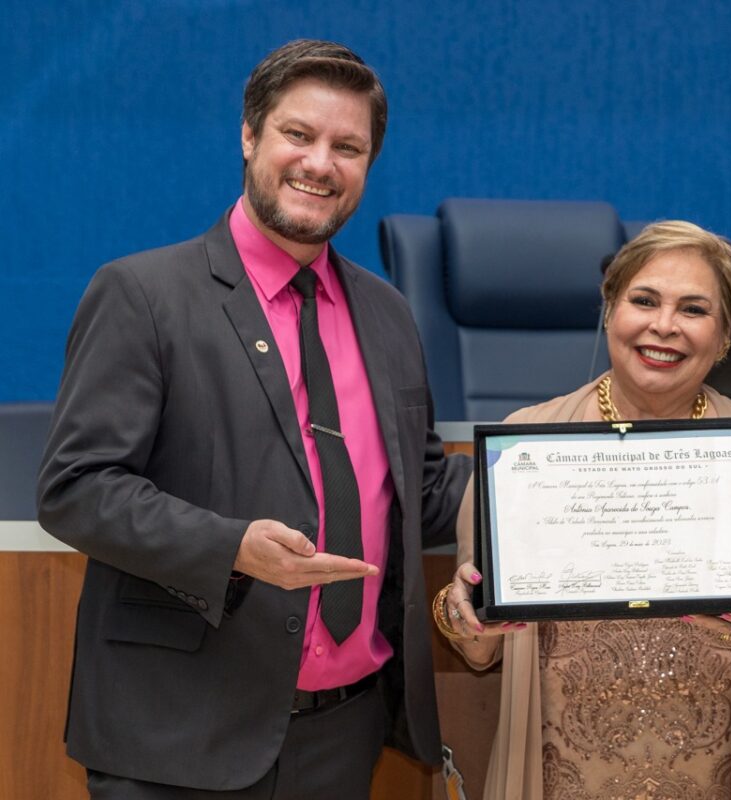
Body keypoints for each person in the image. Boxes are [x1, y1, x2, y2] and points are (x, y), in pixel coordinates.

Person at [37, 39, 469, 798]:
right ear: (249, 135)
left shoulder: (389, 313)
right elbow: (77, 488)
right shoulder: (143, 294)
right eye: (298, 135)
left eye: (348, 146)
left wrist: (561, 480)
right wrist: (231, 547)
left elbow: (422, 490)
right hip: (175, 735)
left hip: (343, 734)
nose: (320, 163)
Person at [435, 221, 731, 799]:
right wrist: (460, 615)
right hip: (559, 778)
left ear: (724, 337)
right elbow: (477, 641)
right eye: (644, 300)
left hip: (723, 772)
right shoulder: (523, 448)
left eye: (693, 309)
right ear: (610, 310)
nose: (663, 325)